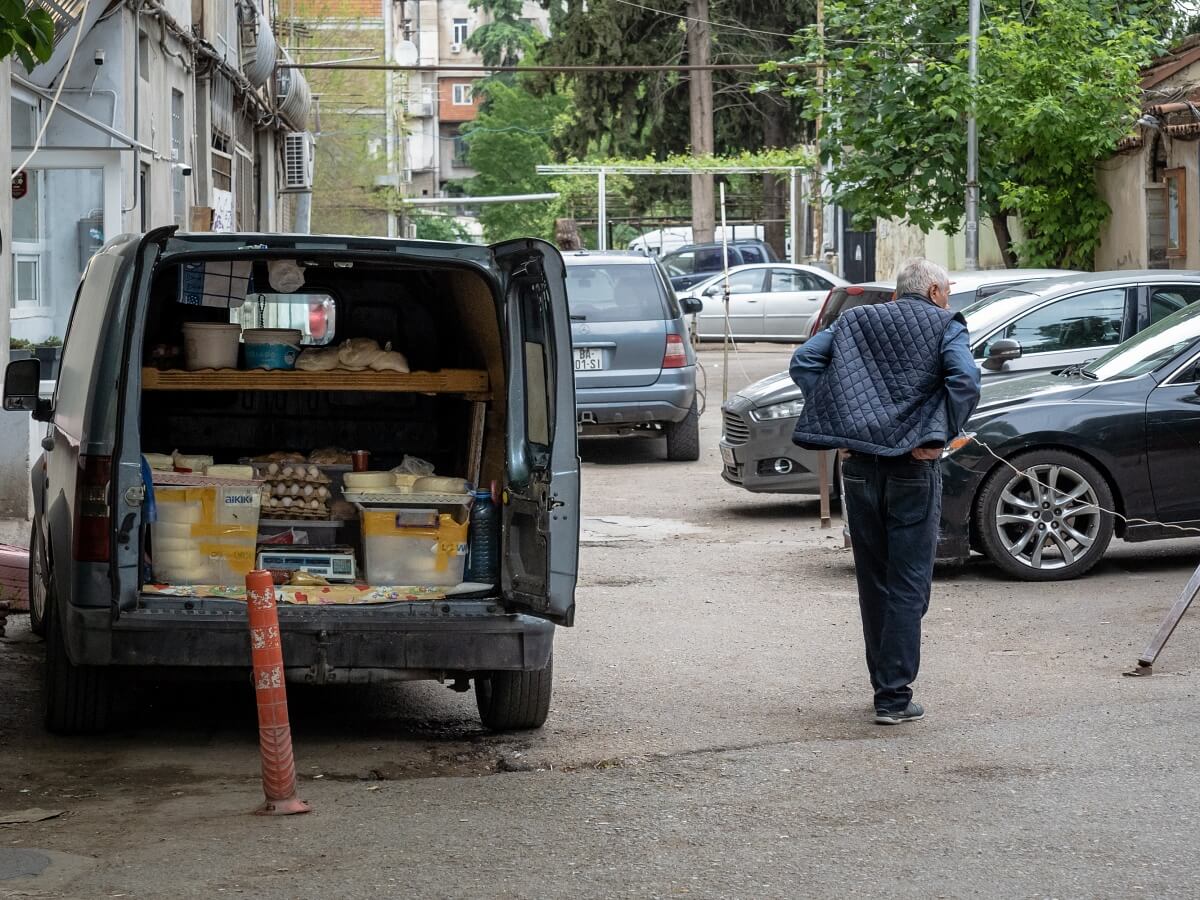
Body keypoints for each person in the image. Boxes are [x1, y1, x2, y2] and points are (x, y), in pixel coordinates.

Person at [789, 258, 981, 725]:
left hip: (859, 468)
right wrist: (938, 436)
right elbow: (965, 381)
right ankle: (893, 697)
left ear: (899, 292)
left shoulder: (856, 318)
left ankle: (884, 687)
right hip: (912, 468)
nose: (949, 298)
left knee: (874, 579)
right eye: (947, 291)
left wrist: (845, 421)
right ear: (934, 291)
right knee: (909, 581)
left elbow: (804, 362)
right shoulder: (945, 324)